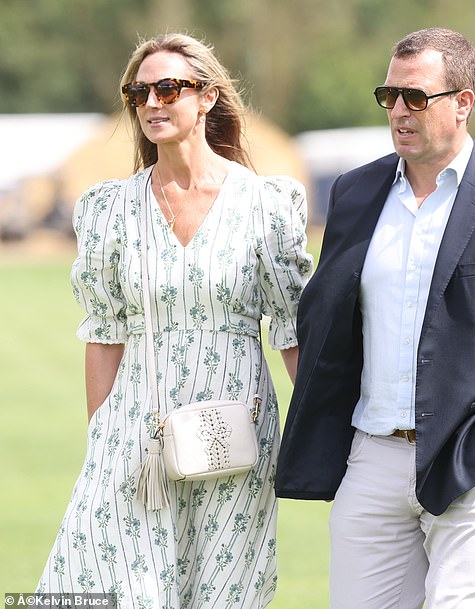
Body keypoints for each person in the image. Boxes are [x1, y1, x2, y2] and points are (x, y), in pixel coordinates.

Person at [275, 27, 475, 609]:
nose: (398, 110)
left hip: (473, 457)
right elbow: (331, 319)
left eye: (415, 97)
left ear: (463, 103)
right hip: (370, 458)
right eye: (388, 95)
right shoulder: (355, 192)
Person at [37, 33, 313, 609]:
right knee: (95, 587)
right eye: (139, 92)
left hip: (235, 433)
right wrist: (100, 439)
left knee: (222, 593)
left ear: (206, 97)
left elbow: (291, 331)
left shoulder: (266, 206)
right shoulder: (109, 208)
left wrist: (326, 430)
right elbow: (105, 333)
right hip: (132, 436)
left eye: (168, 88)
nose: (151, 104)